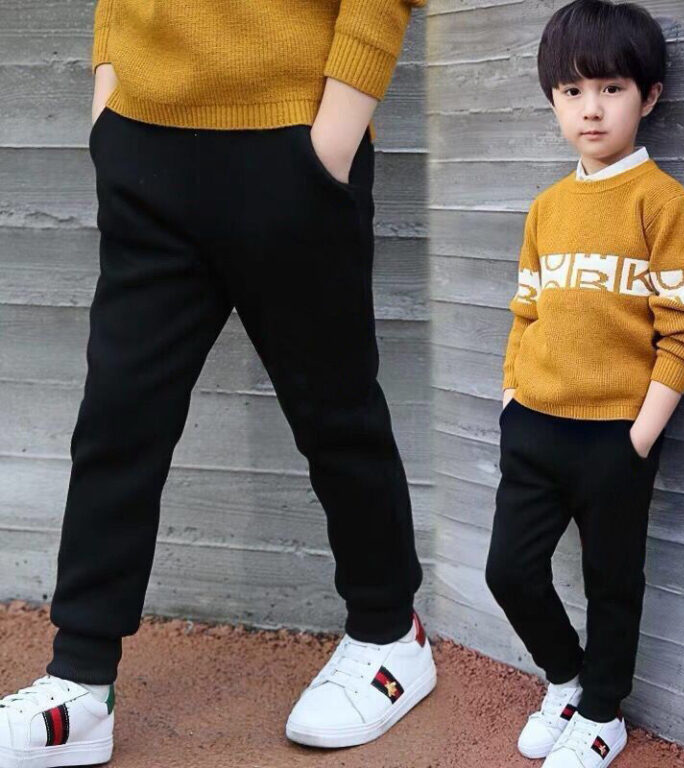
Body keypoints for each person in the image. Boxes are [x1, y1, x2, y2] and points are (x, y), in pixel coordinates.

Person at [0, 1, 435, 764]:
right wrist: (109, 96)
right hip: (143, 140)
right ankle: (80, 680)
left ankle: (389, 634)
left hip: (293, 140)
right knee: (117, 420)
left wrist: (331, 140)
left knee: (335, 413)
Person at [483, 1, 684, 766]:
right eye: (572, 90)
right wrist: (512, 398)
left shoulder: (665, 206)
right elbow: (525, 312)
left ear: (649, 97)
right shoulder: (546, 209)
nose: (591, 108)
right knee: (509, 571)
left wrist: (638, 437)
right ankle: (566, 678)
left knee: (612, 583)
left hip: (617, 438)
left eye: (612, 88)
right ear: (553, 99)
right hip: (534, 427)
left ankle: (602, 712)